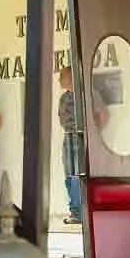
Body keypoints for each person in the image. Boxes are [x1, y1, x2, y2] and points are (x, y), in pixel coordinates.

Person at [58, 66, 82, 224]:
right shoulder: (64, 98)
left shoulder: (84, 93)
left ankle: (79, 213)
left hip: (80, 137)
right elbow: (61, 117)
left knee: (77, 175)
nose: (60, 80)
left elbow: (101, 115)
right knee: (68, 174)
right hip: (68, 137)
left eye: (62, 77)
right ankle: (74, 211)